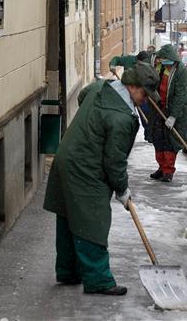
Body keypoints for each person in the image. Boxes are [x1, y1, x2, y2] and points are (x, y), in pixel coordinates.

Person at [43, 62, 160, 296]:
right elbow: (114, 161)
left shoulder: (101, 89)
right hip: (86, 170)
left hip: (66, 157)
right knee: (92, 221)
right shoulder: (122, 118)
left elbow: (83, 96)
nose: (145, 100)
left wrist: (92, 123)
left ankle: (68, 271)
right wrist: (122, 190)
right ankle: (98, 280)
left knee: (68, 216)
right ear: (133, 87)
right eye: (144, 94)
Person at [148, 44, 187, 182]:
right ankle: (161, 167)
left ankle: (168, 171)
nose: (165, 63)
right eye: (162, 59)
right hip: (158, 108)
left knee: (170, 141)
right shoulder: (158, 66)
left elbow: (180, 95)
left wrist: (173, 116)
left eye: (167, 60)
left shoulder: (180, 71)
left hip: (172, 109)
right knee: (158, 138)